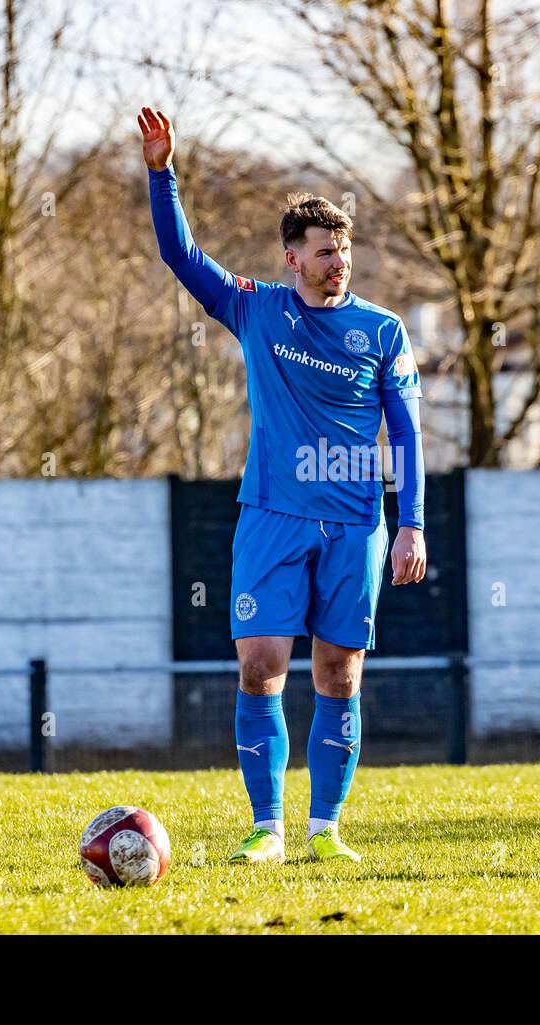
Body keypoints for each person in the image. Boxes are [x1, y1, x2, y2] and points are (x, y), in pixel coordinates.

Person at [139, 107, 427, 864]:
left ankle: (326, 828)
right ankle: (266, 827)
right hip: (271, 515)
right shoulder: (256, 308)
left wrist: (411, 522)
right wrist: (162, 172)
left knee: (340, 668)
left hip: (356, 522)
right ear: (291, 258)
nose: (340, 264)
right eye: (326, 253)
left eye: (345, 251)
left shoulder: (385, 332)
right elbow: (181, 253)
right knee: (261, 663)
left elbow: (406, 433)